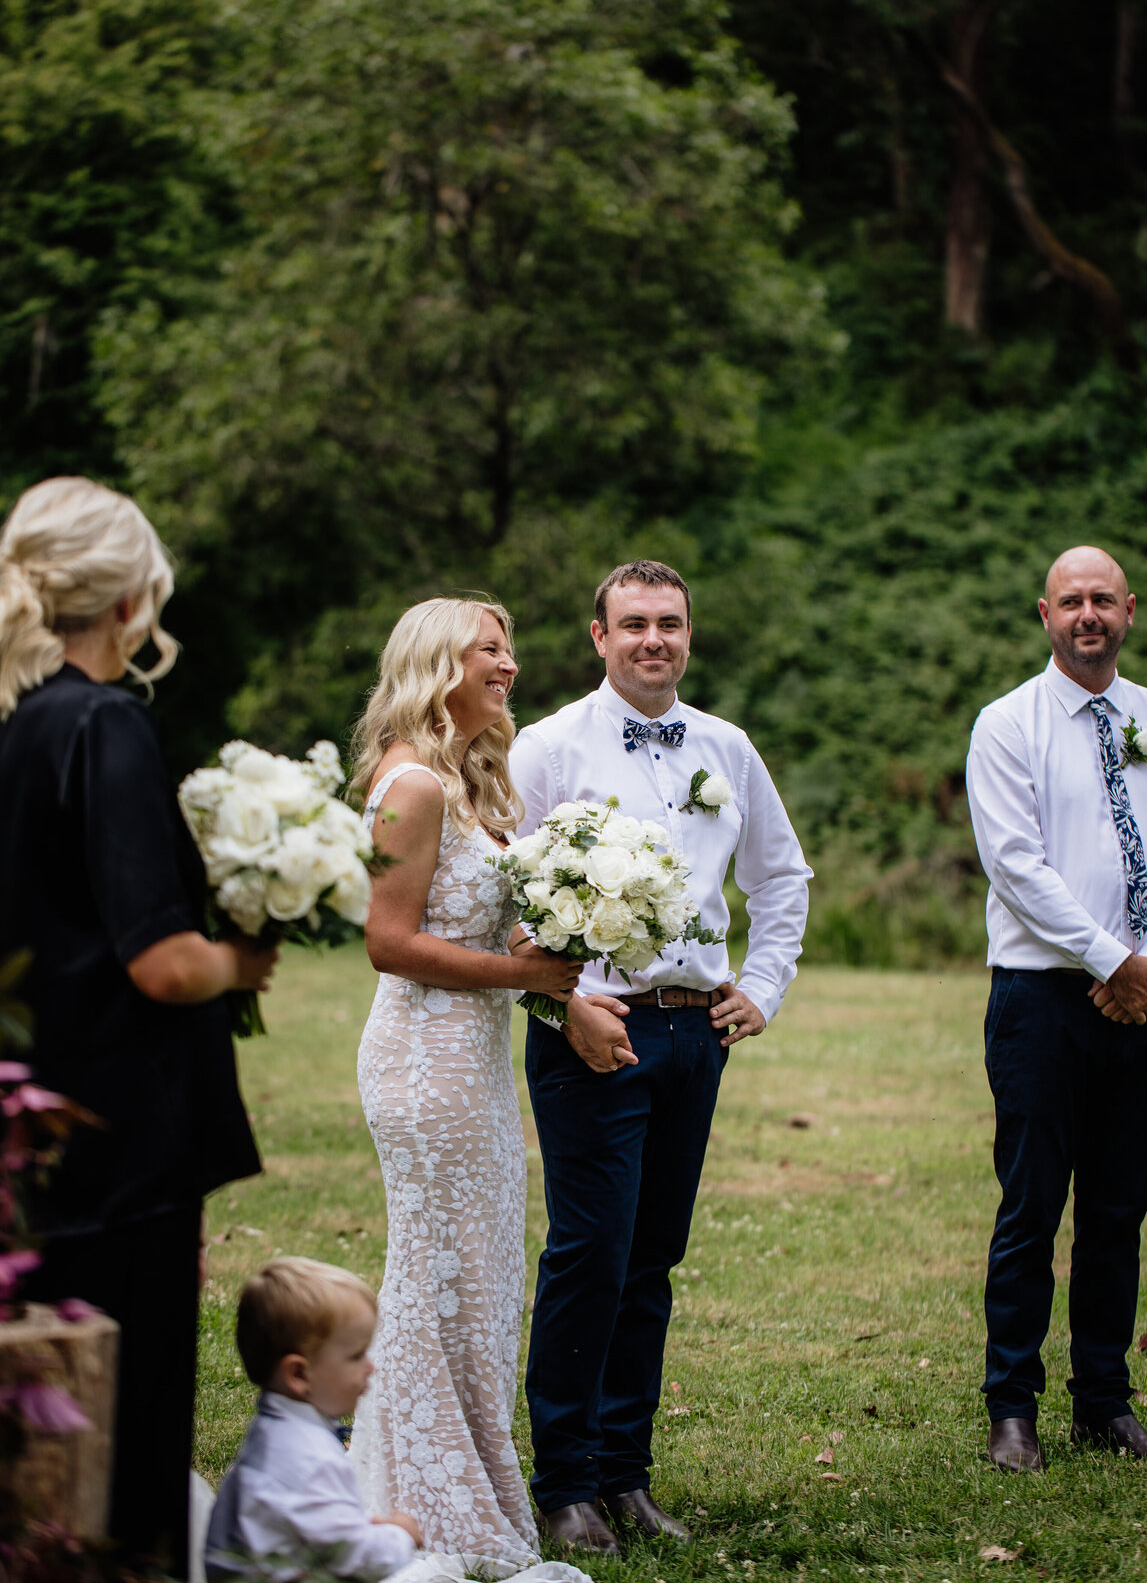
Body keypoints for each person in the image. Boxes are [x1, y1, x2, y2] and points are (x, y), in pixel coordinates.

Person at [0, 476, 276, 1574]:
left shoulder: (17, 726)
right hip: (121, 1130)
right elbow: (160, 961)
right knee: (134, 1401)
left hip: (33, 1120)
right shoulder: (106, 724)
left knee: (46, 1395)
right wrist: (241, 959)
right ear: (131, 603)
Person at [508, 559, 811, 1553]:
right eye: (633, 623)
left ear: (689, 633)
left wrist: (760, 986)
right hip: (592, 1024)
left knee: (653, 1258)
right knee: (590, 1253)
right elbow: (504, 900)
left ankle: (627, 1477)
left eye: (669, 623)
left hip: (692, 1030)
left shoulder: (725, 747)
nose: (653, 639)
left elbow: (783, 874)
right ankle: (565, 1485)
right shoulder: (549, 747)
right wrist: (566, 1005)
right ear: (598, 637)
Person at [349, 599, 587, 1577]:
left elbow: (466, 926)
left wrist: (546, 944)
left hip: (472, 1059)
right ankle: (429, 1505)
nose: (511, 665)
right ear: (437, 661)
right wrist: (529, 977)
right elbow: (389, 944)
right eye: (490, 650)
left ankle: (454, 1485)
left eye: (507, 648)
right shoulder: (411, 784)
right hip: (426, 1061)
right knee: (439, 1280)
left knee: (477, 1284)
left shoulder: (463, 783)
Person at [965, 544, 1147, 1473]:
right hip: (1040, 1000)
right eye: (1072, 601)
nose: (1088, 615)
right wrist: (1112, 959)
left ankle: (1104, 1403)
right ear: (1045, 613)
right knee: (1031, 1206)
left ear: (1130, 610)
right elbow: (1015, 865)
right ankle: (1011, 1409)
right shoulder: (1007, 724)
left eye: (1103, 599)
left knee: (1118, 1209)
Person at [206, 1257, 423, 1580]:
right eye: (355, 1356)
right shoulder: (311, 1459)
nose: (371, 1366)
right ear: (298, 1374)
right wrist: (400, 1535)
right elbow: (357, 1558)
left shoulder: (274, 1433)